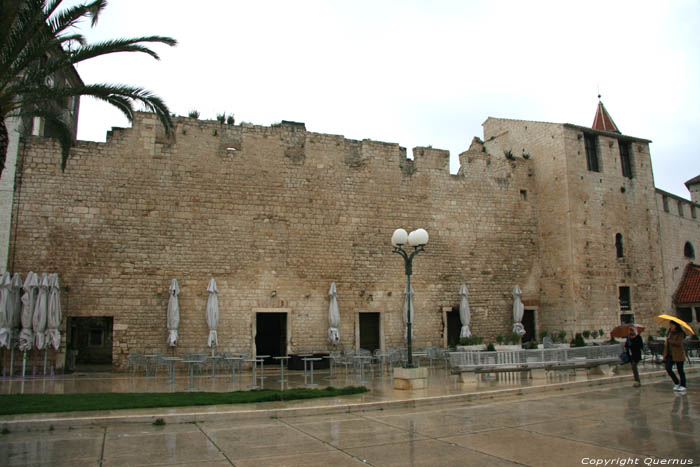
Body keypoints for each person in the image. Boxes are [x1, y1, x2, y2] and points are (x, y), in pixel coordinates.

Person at [663, 322, 687, 392]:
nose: (671, 326)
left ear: (676, 326)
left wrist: (670, 340)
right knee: (668, 368)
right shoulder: (669, 333)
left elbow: (679, 343)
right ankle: (676, 382)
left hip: (678, 354)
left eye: (672, 325)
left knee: (680, 370)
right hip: (670, 354)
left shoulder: (680, 333)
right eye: (670, 325)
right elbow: (667, 344)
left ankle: (683, 385)